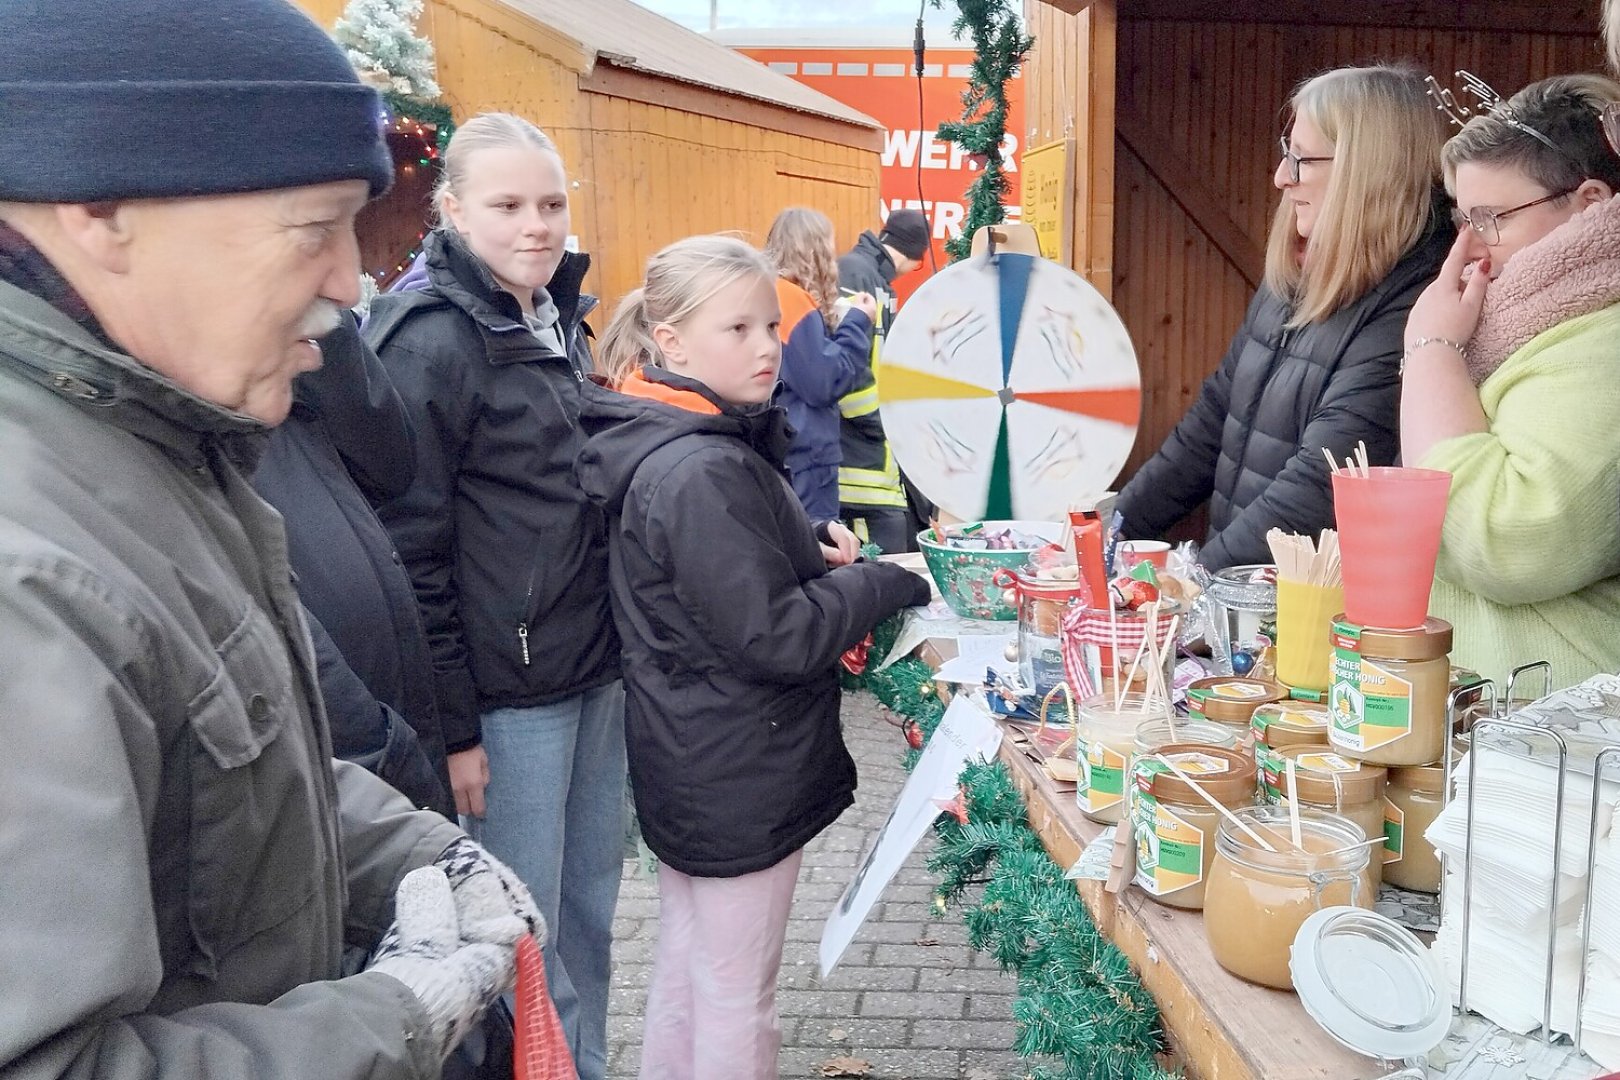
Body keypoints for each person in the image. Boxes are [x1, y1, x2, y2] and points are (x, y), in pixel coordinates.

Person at [0, 2, 541, 1077]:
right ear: (100, 211)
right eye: (314, 227)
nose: (349, 282)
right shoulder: (31, 571)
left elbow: (226, 776)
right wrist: (390, 1021)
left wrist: (418, 852)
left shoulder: (154, 457)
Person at [576, 235, 930, 1080]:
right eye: (737, 328)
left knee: (690, 971)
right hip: (735, 763)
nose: (769, 345)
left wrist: (804, 547)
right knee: (739, 997)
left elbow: (712, 580)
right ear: (672, 343)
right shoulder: (701, 467)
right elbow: (778, 634)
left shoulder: (679, 439)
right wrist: (887, 581)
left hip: (695, 757)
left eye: (771, 324)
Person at [364, 112, 625, 1080]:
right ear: (453, 209)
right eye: (508, 205)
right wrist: (455, 729)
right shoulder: (432, 339)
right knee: (525, 932)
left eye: (551, 203)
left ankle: (586, 1064)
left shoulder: (555, 313)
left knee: (591, 910)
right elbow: (410, 553)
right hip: (511, 704)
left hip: (594, 669)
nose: (536, 224)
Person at [1116, 65, 1451, 570]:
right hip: (1239, 602)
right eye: (1285, 153)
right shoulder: (1297, 271)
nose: (1280, 177)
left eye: (1302, 160)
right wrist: (1113, 531)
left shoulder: (1416, 299)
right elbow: (1211, 424)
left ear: (1366, 169)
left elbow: (1320, 486)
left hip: (1308, 617)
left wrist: (1197, 588)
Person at [1401, 74, 1620, 686]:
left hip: (1564, 741)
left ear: (1591, 204)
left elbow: (1506, 537)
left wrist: (1432, 350)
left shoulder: (1605, 341)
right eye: (1462, 218)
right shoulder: (1512, 326)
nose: (1469, 247)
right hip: (1502, 719)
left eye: (1492, 217)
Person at [253, 316, 454, 816]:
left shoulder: (295, 379)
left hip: (395, 730)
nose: (346, 285)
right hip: (348, 768)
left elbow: (389, 465)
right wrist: (384, 752)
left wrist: (330, 333)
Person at [764, 207, 877, 521]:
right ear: (816, 250)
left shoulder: (766, 294)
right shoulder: (791, 299)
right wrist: (857, 322)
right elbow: (824, 381)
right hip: (807, 457)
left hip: (782, 450)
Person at [835, 208, 931, 553]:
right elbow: (850, 362)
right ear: (915, 255)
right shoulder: (858, 277)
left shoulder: (868, 276)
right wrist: (879, 421)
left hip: (872, 461)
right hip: (860, 464)